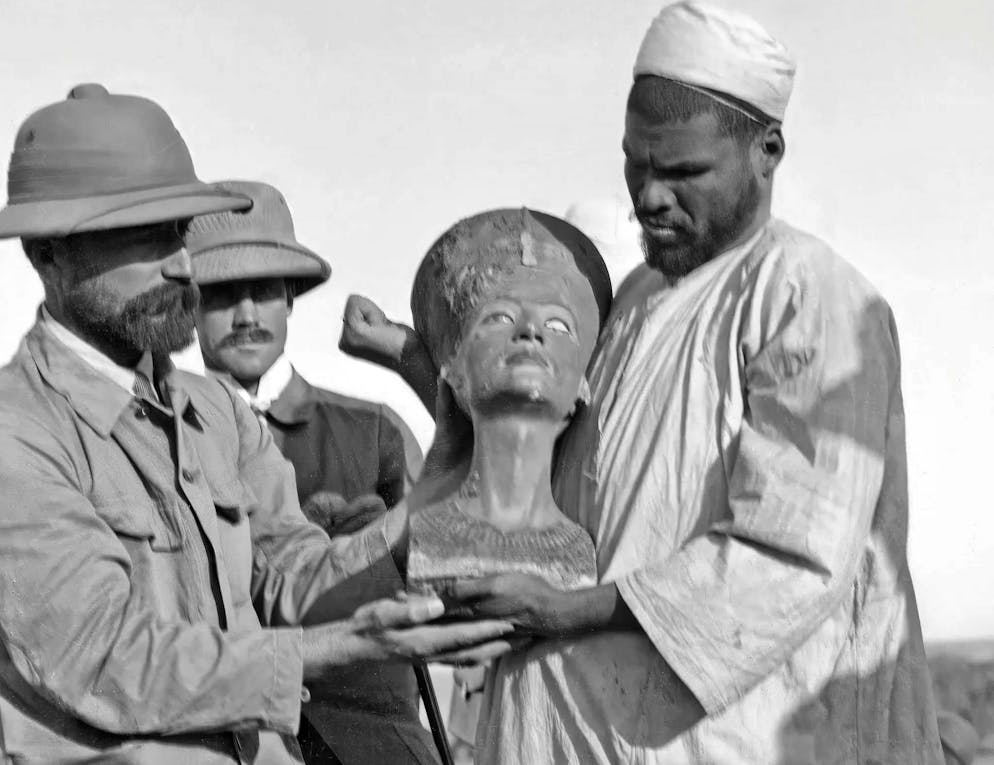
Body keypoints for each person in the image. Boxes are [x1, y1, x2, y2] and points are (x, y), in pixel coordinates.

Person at [340, 3, 944, 762]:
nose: (648, 196)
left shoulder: (809, 295)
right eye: (635, 163)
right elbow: (538, 463)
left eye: (683, 171)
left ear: (768, 150)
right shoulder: (629, 304)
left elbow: (790, 554)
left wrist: (570, 610)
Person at [0, 84, 512, 764]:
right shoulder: (19, 430)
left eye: (178, 234)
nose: (182, 264)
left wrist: (421, 512)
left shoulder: (213, 414)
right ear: (47, 253)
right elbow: (99, 656)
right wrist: (334, 650)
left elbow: (294, 576)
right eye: (144, 238)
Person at [188, 179, 439, 764]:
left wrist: (376, 548)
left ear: (291, 298)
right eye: (222, 294)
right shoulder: (156, 436)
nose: (247, 314)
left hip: (371, 739)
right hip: (224, 739)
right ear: (186, 306)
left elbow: (447, 573)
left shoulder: (375, 429)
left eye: (264, 290)